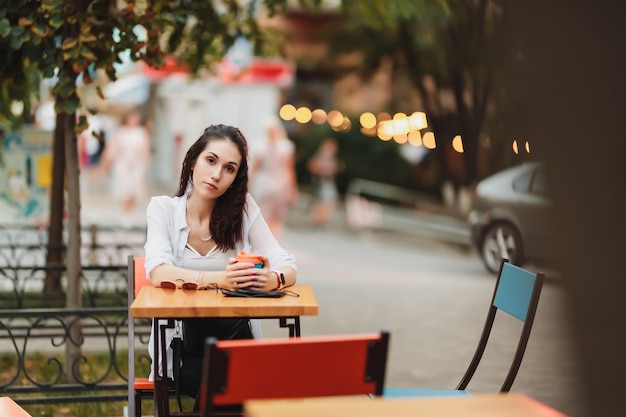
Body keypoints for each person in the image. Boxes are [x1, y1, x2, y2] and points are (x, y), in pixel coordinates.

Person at [143, 124, 297, 411]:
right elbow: (159, 272)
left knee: (230, 380)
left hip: (236, 340)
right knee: (221, 384)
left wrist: (272, 280)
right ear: (192, 161)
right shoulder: (163, 209)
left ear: (236, 178)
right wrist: (223, 279)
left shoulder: (244, 211)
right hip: (183, 347)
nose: (216, 174)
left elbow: (286, 264)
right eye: (211, 161)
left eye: (229, 168)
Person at [249, 117, 298, 239]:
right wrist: (247, 185)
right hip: (266, 186)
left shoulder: (285, 147)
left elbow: (289, 168)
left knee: (277, 215)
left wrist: (292, 189)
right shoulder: (261, 146)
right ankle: (267, 240)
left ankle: (274, 241)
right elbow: (254, 168)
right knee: (264, 214)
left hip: (279, 185)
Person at [99, 107, 149, 224]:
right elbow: (113, 147)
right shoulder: (120, 131)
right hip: (122, 163)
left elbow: (144, 151)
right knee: (124, 188)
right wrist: (107, 161)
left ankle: (130, 211)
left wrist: (143, 165)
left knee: (134, 189)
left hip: (136, 163)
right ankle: (125, 213)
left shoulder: (141, 132)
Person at [307, 137, 341, 229]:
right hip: (322, 183)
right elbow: (313, 166)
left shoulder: (329, 157)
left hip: (327, 183)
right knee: (323, 204)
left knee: (328, 203)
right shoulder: (322, 156)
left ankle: (321, 222)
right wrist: (328, 168)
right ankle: (318, 223)